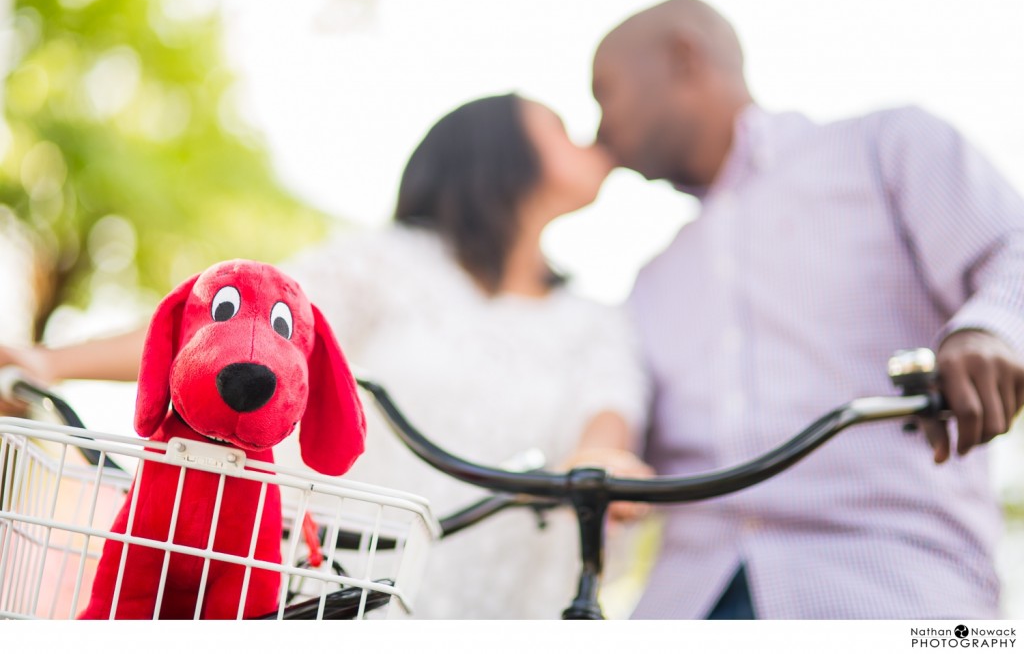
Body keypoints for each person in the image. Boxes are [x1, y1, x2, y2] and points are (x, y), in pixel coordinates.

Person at [0, 93, 651, 619]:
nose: (588, 140)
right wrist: (48, 362)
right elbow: (226, 319)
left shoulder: (594, 318)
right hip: (347, 573)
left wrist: (601, 453)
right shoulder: (389, 262)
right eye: (561, 126)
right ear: (497, 152)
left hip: (500, 600)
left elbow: (608, 406)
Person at [590, 0, 1024, 619]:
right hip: (684, 603)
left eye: (604, 91)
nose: (597, 127)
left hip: (901, 594)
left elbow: (1014, 247)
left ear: (683, 58)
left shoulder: (887, 146)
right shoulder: (651, 280)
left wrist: (992, 330)